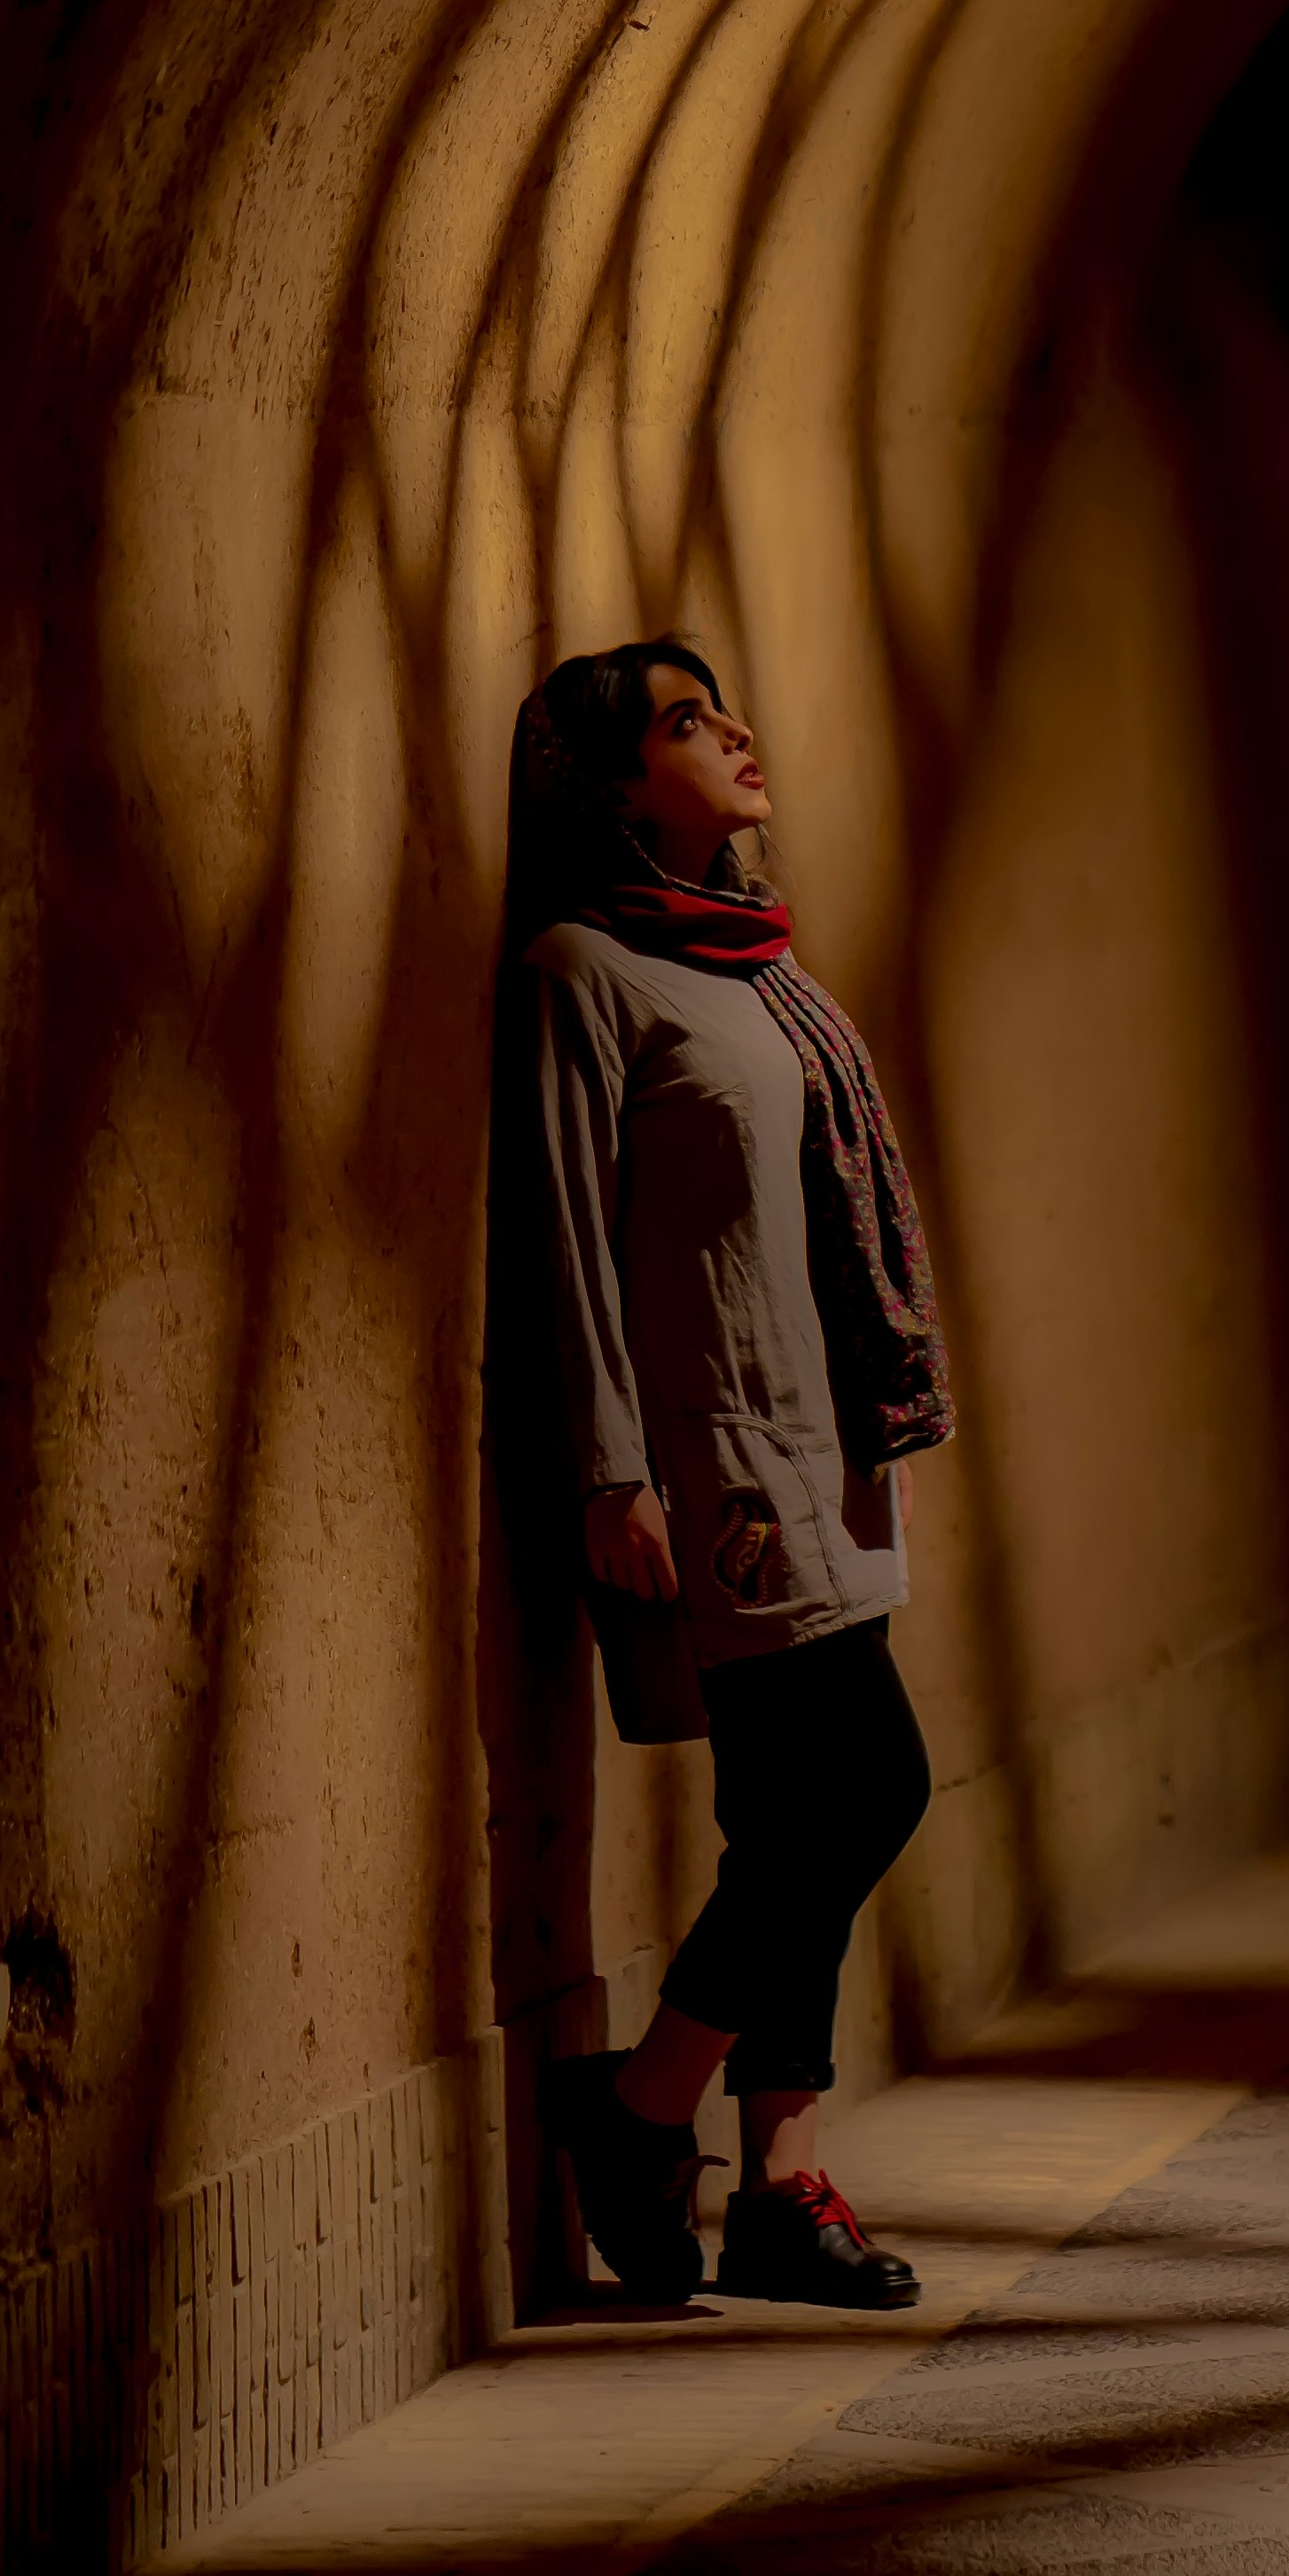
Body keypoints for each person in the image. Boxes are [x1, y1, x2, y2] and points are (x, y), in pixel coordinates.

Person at [510, 638, 956, 2311]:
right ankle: (638, 2107)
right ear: (616, 785)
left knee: (796, 1821)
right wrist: (608, 1473)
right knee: (863, 1795)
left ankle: (779, 2179)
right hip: (714, 1479)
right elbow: (565, 1242)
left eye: (723, 708)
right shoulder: (579, 973)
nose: (736, 734)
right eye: (688, 724)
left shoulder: (762, 972)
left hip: (823, 1453)